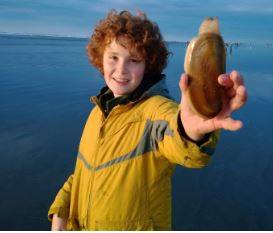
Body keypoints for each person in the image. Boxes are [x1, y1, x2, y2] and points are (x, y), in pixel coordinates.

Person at [48, 10, 248, 230]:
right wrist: (60, 211)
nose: (121, 69)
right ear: (100, 58)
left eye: (133, 60)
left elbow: (177, 139)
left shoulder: (155, 110)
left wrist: (192, 129)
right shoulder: (97, 112)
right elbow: (83, 173)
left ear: (148, 65)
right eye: (113, 57)